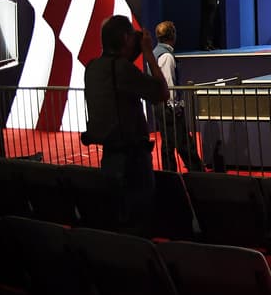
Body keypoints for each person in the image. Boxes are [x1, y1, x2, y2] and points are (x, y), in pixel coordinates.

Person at [83, 15, 169, 234]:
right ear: (124, 38)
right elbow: (161, 93)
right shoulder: (122, 70)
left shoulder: (93, 68)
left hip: (109, 157)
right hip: (133, 160)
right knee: (140, 223)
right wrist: (148, 54)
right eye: (131, 35)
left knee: (116, 224)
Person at [152, 21, 205, 173]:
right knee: (182, 142)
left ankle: (171, 174)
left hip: (160, 105)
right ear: (172, 35)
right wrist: (175, 107)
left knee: (168, 143)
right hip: (168, 107)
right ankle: (197, 172)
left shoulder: (156, 53)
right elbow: (169, 84)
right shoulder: (166, 56)